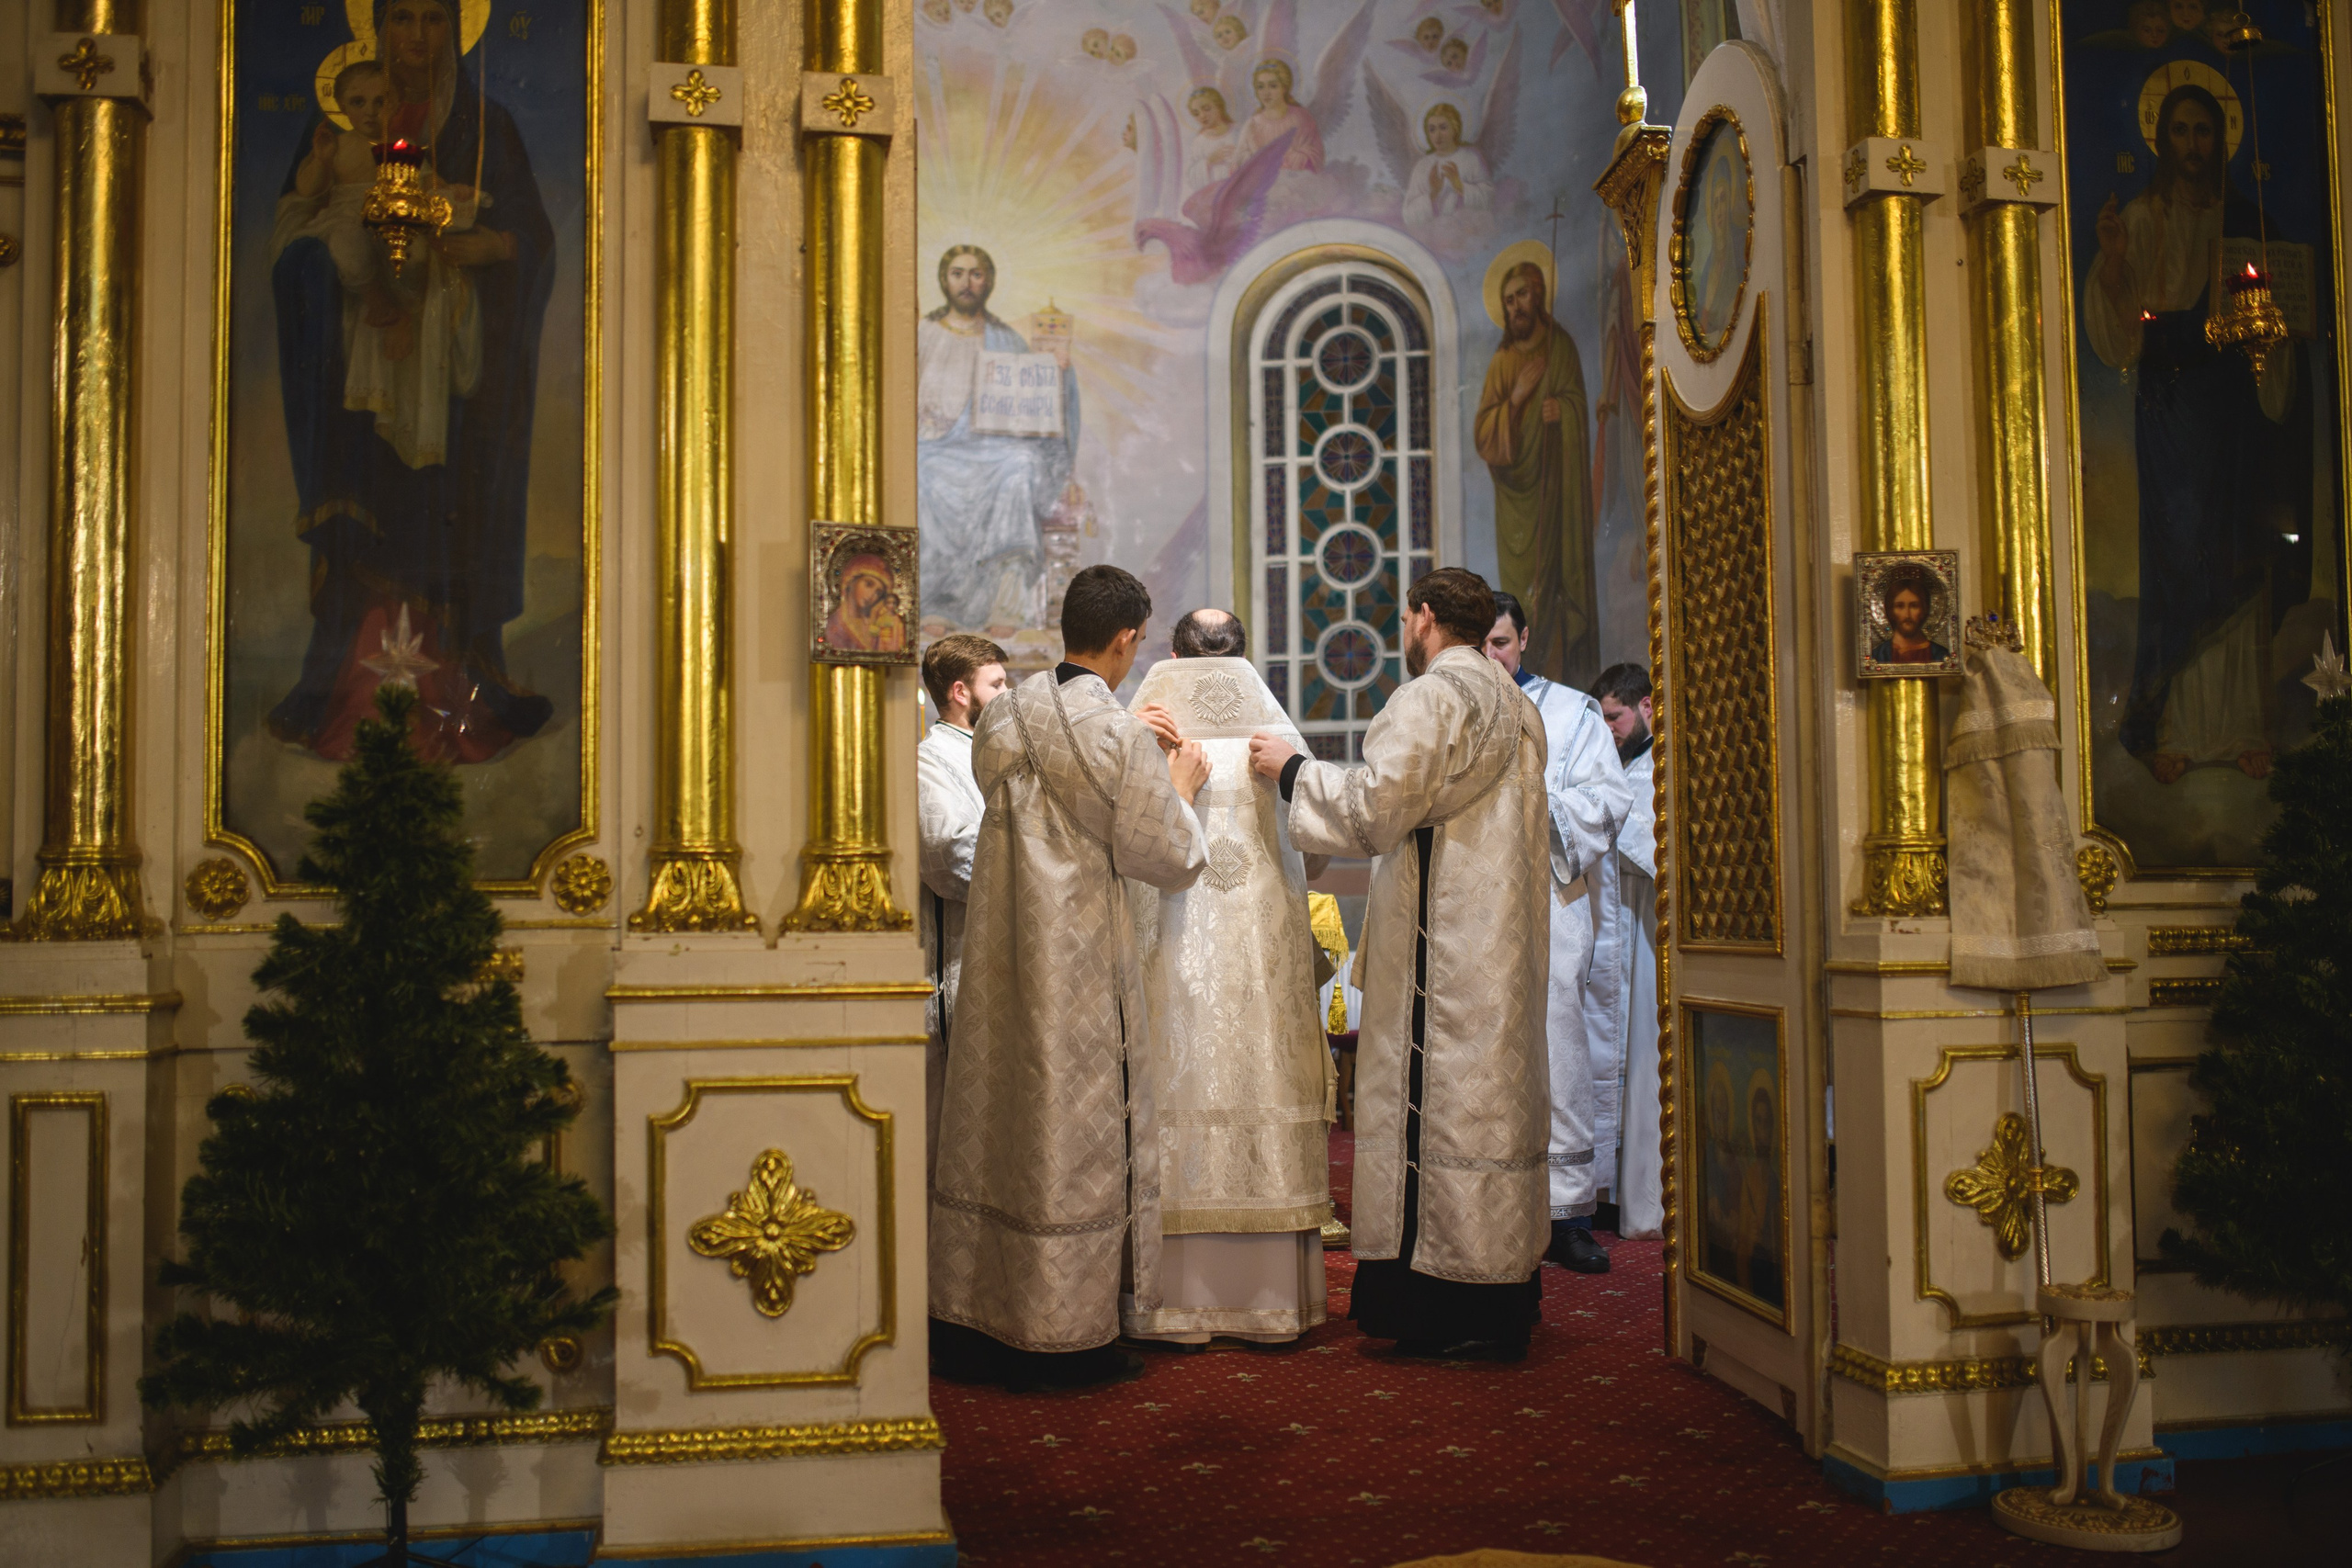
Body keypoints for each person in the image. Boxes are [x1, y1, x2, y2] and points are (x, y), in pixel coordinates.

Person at [1249, 569, 1552, 1360]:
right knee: (1487, 1100)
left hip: (1442, 949)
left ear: (1422, 618)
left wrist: (1289, 769)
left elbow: (1374, 812)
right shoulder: (1515, 704)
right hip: (1502, 945)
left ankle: (1435, 1302)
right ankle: (1502, 1297)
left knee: (1434, 1098)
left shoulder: (1429, 699)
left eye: (1408, 615)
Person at [930, 567, 1211, 1391]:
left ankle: (978, 1313)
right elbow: (1172, 856)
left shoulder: (1005, 711)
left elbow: (997, 794)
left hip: (1002, 953)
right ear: (1126, 640)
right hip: (1082, 964)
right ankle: (1069, 1328)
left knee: (998, 1123)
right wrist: (1181, 787)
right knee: (1076, 1132)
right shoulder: (1117, 735)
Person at [266, 0, 557, 761]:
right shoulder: (341, 124)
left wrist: (495, 245)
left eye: (434, 19)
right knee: (365, 513)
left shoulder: (485, 126)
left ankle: (461, 689)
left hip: (449, 385)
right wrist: (340, 275)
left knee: (441, 511)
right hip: (358, 373)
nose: (418, 37)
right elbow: (294, 236)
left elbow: (534, 239)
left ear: (456, 27)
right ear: (378, 27)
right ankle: (341, 684)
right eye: (403, 19)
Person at [2082, 79, 2310, 784]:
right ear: (2161, 139)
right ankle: (2170, 726)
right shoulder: (2144, 219)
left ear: (2222, 141)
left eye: (2203, 132)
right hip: (2171, 416)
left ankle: (2243, 727)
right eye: (2178, 131)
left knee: (2234, 551)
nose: (2191, 145)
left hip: (2232, 413)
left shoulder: (2247, 222)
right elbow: (2119, 338)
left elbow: (2279, 328)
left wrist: (2267, 338)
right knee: (2180, 554)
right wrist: (2115, 259)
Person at [1123, 608, 1333, 1346]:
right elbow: (1323, 845)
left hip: (1171, 948)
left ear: (1173, 652)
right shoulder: (1278, 734)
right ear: (1244, 651)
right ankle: (1271, 1300)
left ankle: (1175, 1304)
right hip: (1256, 962)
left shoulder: (1141, 728)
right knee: (1259, 1074)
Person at [1484, 593, 1633, 1273]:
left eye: (1503, 643)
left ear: (1524, 640)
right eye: (1482, 643)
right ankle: (1478, 1201)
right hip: (1467, 907)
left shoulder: (1572, 712)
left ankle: (1567, 1209)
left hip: (1549, 900)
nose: (1493, 656)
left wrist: (1531, 800)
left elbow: (1607, 798)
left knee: (1557, 1047)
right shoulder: (1439, 704)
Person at [917, 244, 1081, 631]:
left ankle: (1005, 606)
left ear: (988, 281)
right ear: (945, 279)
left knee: (1020, 466)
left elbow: (1036, 402)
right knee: (924, 471)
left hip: (994, 447)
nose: (967, 283)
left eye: (976, 274)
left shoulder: (1005, 338)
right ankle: (938, 601)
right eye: (958, 273)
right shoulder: (923, 333)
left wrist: (1059, 372)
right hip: (936, 444)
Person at [1476, 259, 1598, 687]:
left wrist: (1562, 411)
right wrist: (1517, 401)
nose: (1515, 307)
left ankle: (1562, 670)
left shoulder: (1558, 347)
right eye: (1508, 301)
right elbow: (1486, 435)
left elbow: (1579, 409)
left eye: (1522, 295)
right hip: (1516, 500)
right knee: (1521, 587)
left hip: (1556, 492)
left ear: (1539, 294)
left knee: (1558, 580)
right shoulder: (1503, 360)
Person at [916, 634, 1010, 1177]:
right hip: (956, 968)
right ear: (959, 691)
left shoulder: (984, 752)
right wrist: (1031, 847)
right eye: (996, 684)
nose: (1007, 693)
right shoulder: (933, 761)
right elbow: (949, 859)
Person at [1594, 661, 1660, 1239]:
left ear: (1647, 708)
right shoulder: (1622, 767)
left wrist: (1603, 814)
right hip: (1612, 935)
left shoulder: (1661, 770)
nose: (1610, 728)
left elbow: (1656, 851)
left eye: (1615, 716)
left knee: (1643, 1064)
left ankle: (1643, 1200)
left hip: (1645, 937)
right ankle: (1608, 1191)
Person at [1866, 560, 1951, 665]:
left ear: (1924, 609)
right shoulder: (1878, 656)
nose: (1907, 615)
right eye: (1900, 606)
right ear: (1890, 610)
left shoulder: (1941, 656)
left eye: (1914, 606)